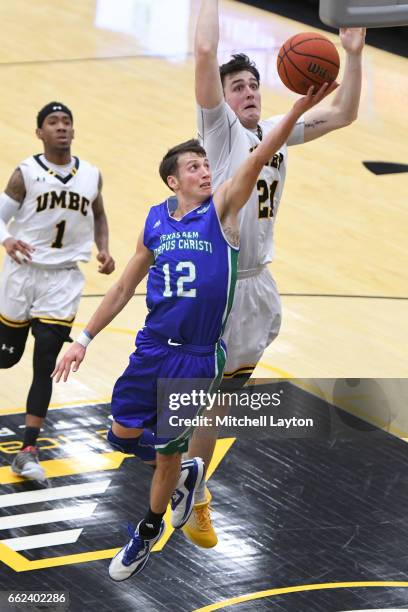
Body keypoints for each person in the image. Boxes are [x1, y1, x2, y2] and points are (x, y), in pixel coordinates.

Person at [52, 86, 328, 581]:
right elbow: (121, 288)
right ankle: (183, 472)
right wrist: (83, 339)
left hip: (197, 358)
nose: (206, 171)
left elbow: (261, 153)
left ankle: (147, 529)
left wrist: (299, 112)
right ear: (172, 180)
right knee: (121, 436)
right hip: (150, 349)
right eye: (195, 167)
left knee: (164, 455)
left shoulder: (222, 212)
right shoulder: (154, 222)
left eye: (207, 164)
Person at [184, 0, 367, 548]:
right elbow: (204, 49)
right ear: (221, 97)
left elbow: (345, 114)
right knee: (210, 397)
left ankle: (192, 482)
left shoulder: (277, 134)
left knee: (223, 397)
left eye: (252, 86)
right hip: (224, 279)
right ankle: (195, 493)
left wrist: (353, 56)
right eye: (236, 86)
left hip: (260, 284)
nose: (247, 93)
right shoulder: (217, 132)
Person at [0, 102, 115, 482]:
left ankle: (28, 449)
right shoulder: (26, 173)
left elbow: (98, 213)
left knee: (46, 361)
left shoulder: (91, 175)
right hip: (22, 273)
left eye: (67, 121)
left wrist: (103, 248)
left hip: (64, 279)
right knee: (6, 358)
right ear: (40, 133)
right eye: (53, 122)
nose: (62, 128)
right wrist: (6, 238)